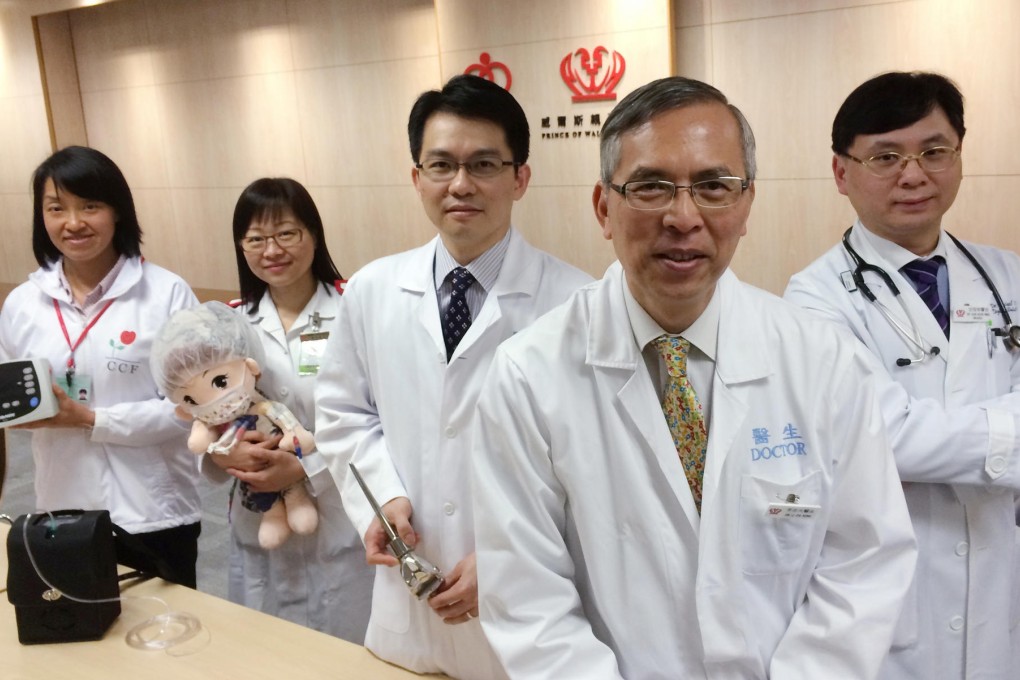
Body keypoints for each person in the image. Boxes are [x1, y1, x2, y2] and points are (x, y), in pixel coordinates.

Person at [470, 76, 917, 679]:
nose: (684, 218)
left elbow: (864, 560)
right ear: (604, 206)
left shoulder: (822, 360)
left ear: (747, 203)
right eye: (651, 187)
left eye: (713, 187)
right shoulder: (529, 375)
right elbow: (528, 601)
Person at [314, 74, 592, 677]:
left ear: (520, 177)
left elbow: (592, 464)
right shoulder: (372, 291)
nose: (460, 184)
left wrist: (504, 559)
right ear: (417, 178)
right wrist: (384, 499)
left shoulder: (578, 305)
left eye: (484, 164)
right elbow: (342, 414)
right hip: (406, 607)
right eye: (440, 165)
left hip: (527, 622)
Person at [784, 71, 1020, 679]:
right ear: (842, 172)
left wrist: (949, 436)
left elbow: (915, 431)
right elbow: (884, 436)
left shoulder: (1009, 278)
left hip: (1003, 595)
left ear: (959, 158)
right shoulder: (813, 299)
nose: (913, 174)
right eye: (885, 156)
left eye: (934, 152)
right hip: (892, 613)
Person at [0, 146, 202, 587]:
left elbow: (189, 408)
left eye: (89, 205)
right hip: (63, 508)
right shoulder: (22, 304)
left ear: (118, 212)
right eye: (57, 208)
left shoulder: (166, 294)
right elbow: (10, 393)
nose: (73, 222)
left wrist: (91, 419)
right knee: (78, 640)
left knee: (167, 641)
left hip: (154, 512)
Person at [191, 178, 373, 642]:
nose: (272, 249)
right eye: (255, 238)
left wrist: (302, 467)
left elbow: (379, 419)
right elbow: (204, 413)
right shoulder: (228, 323)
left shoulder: (358, 308)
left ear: (313, 234)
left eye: (287, 233)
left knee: (350, 652)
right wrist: (224, 455)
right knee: (268, 649)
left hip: (341, 509)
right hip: (259, 515)